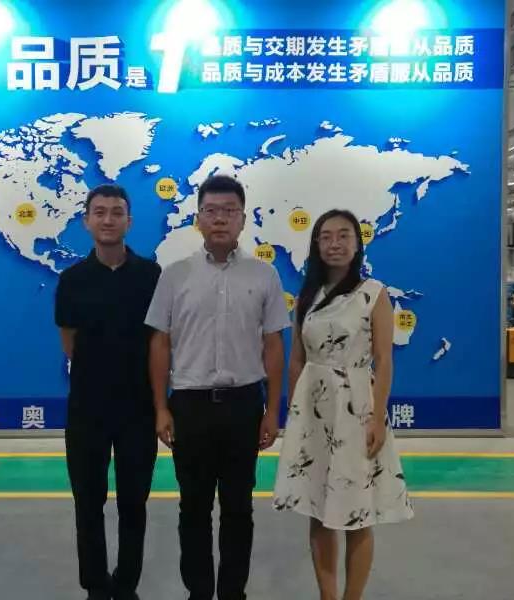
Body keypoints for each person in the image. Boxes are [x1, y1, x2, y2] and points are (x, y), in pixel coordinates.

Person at [146, 174, 290, 600]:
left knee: (238, 508)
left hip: (243, 406)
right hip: (189, 406)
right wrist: (161, 407)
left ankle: (232, 592)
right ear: (198, 219)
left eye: (229, 211)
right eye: (211, 211)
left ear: (243, 219)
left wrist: (272, 410)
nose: (220, 219)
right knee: (192, 507)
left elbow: (273, 346)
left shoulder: (264, 275)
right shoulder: (175, 276)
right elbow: (160, 343)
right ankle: (198, 592)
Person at [273, 209, 413, 600]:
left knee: (357, 511)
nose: (334, 244)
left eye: (343, 235)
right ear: (316, 244)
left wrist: (378, 418)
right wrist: (295, 416)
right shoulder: (307, 296)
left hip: (356, 408)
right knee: (318, 509)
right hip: (313, 411)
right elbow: (297, 360)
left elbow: (384, 359)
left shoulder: (374, 292)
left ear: (357, 243)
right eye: (326, 236)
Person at [54, 184, 161, 600]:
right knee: (88, 502)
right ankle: (96, 586)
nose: (108, 219)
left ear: (129, 221)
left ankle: (126, 583)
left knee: (134, 503)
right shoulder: (72, 280)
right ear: (86, 221)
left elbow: (158, 341)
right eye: (99, 212)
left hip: (138, 409)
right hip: (87, 410)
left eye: (117, 212)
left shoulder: (151, 276)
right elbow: (70, 341)